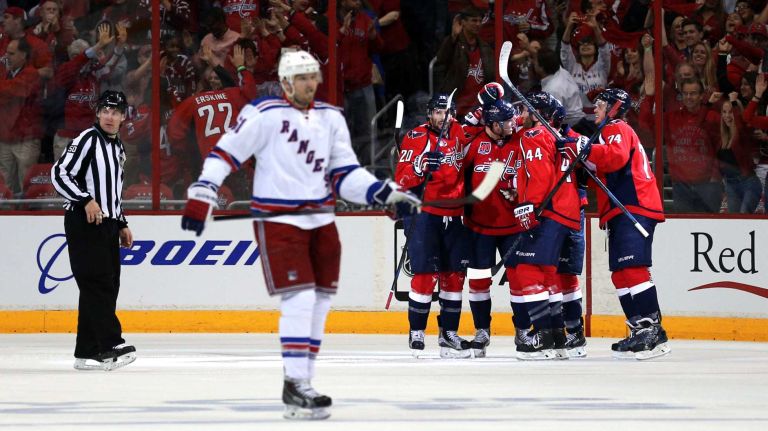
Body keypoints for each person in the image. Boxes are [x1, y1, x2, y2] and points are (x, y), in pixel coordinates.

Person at [180, 50, 420, 420]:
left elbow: (345, 176)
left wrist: (383, 191)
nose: (309, 83)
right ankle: (295, 383)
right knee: (300, 298)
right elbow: (224, 154)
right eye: (301, 77)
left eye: (313, 76)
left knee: (320, 301)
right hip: (279, 221)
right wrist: (203, 191)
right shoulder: (263, 114)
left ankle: (302, 382)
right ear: (286, 82)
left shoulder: (331, 119)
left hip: (321, 220)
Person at [563, 88, 670, 360]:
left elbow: (616, 158)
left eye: (599, 104)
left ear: (613, 108)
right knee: (620, 274)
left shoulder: (616, 127)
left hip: (634, 207)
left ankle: (652, 330)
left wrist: (582, 147)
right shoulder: (608, 133)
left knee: (633, 270)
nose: (594, 109)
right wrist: (576, 144)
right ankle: (638, 328)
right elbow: (601, 163)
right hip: (621, 211)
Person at [50, 90, 136, 371]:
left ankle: (86, 351)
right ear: (98, 113)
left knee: (107, 285)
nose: (110, 117)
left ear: (124, 117)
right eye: (106, 111)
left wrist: (121, 222)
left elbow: (113, 191)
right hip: (84, 221)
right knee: (97, 282)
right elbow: (59, 173)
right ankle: (109, 345)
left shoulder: (118, 148)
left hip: (108, 223)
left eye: (116, 112)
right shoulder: (87, 139)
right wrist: (85, 200)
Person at [394, 92, 472, 359]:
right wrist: (419, 166)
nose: (443, 117)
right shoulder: (416, 137)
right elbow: (402, 180)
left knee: (454, 277)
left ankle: (448, 334)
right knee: (425, 275)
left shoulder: (460, 133)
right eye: (438, 112)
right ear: (429, 114)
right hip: (426, 214)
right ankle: (417, 331)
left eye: (447, 112)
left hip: (456, 213)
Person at [512, 91, 581, 361]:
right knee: (550, 275)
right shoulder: (560, 137)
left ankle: (542, 336)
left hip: (548, 211)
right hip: (567, 212)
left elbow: (538, 174)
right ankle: (557, 337)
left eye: (528, 110)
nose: (523, 115)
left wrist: (530, 205)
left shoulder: (535, 135)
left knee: (529, 271)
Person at [462, 96, 524, 358]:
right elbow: (454, 172)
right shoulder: (473, 144)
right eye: (505, 121)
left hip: (513, 227)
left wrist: (519, 191)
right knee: (478, 282)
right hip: (479, 227)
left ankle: (523, 330)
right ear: (491, 123)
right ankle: (481, 331)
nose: (511, 124)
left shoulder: (521, 141)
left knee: (521, 283)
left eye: (511, 119)